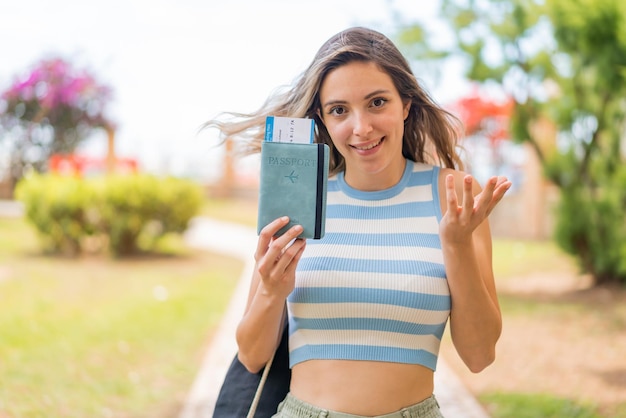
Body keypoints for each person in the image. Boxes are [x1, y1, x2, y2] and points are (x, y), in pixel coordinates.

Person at [206, 26, 511, 418]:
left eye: (377, 102)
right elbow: (251, 356)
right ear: (323, 119)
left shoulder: (450, 194)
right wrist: (271, 290)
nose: (361, 127)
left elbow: (479, 355)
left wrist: (456, 245)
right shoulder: (301, 200)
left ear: (406, 103)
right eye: (339, 110)